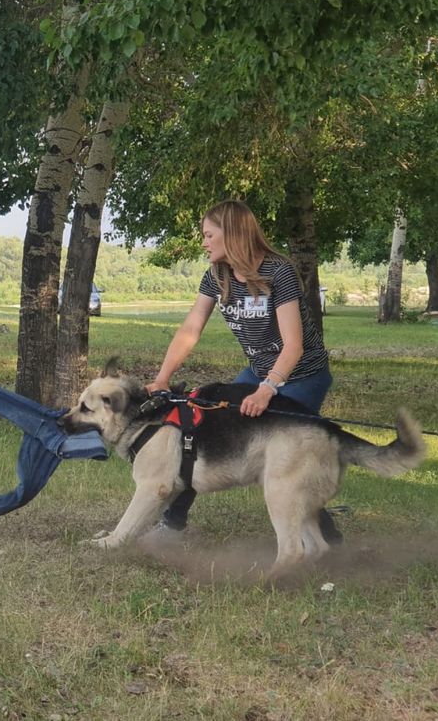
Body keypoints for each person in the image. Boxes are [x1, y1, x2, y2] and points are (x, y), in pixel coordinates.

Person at [145, 199, 341, 542]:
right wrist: (163, 378)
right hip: (259, 370)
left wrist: (267, 390)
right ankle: (172, 524)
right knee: (202, 427)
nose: (203, 242)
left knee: (287, 455)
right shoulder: (216, 275)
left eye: (209, 234)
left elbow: (293, 346)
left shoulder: (278, 272)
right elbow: (191, 329)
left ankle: (329, 541)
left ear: (232, 234)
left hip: (303, 375)